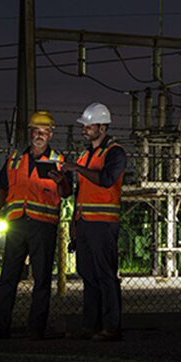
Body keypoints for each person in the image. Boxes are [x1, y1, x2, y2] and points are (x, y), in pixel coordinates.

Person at [0, 109, 72, 340]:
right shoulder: (14, 160)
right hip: (16, 225)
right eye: (36, 130)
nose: (39, 135)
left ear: (51, 134)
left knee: (41, 279)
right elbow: (1, 190)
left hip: (43, 226)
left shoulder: (59, 161)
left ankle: (36, 329)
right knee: (8, 276)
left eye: (44, 131)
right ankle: (1, 327)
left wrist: (61, 180)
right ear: (30, 132)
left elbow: (67, 193)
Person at [59, 102, 127, 341]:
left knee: (106, 274)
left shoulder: (115, 152)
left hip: (104, 222)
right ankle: (91, 325)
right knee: (87, 273)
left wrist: (76, 167)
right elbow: (81, 192)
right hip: (86, 222)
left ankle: (112, 327)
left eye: (89, 125)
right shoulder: (86, 154)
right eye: (85, 125)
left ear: (103, 127)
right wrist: (74, 221)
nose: (85, 129)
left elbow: (107, 180)